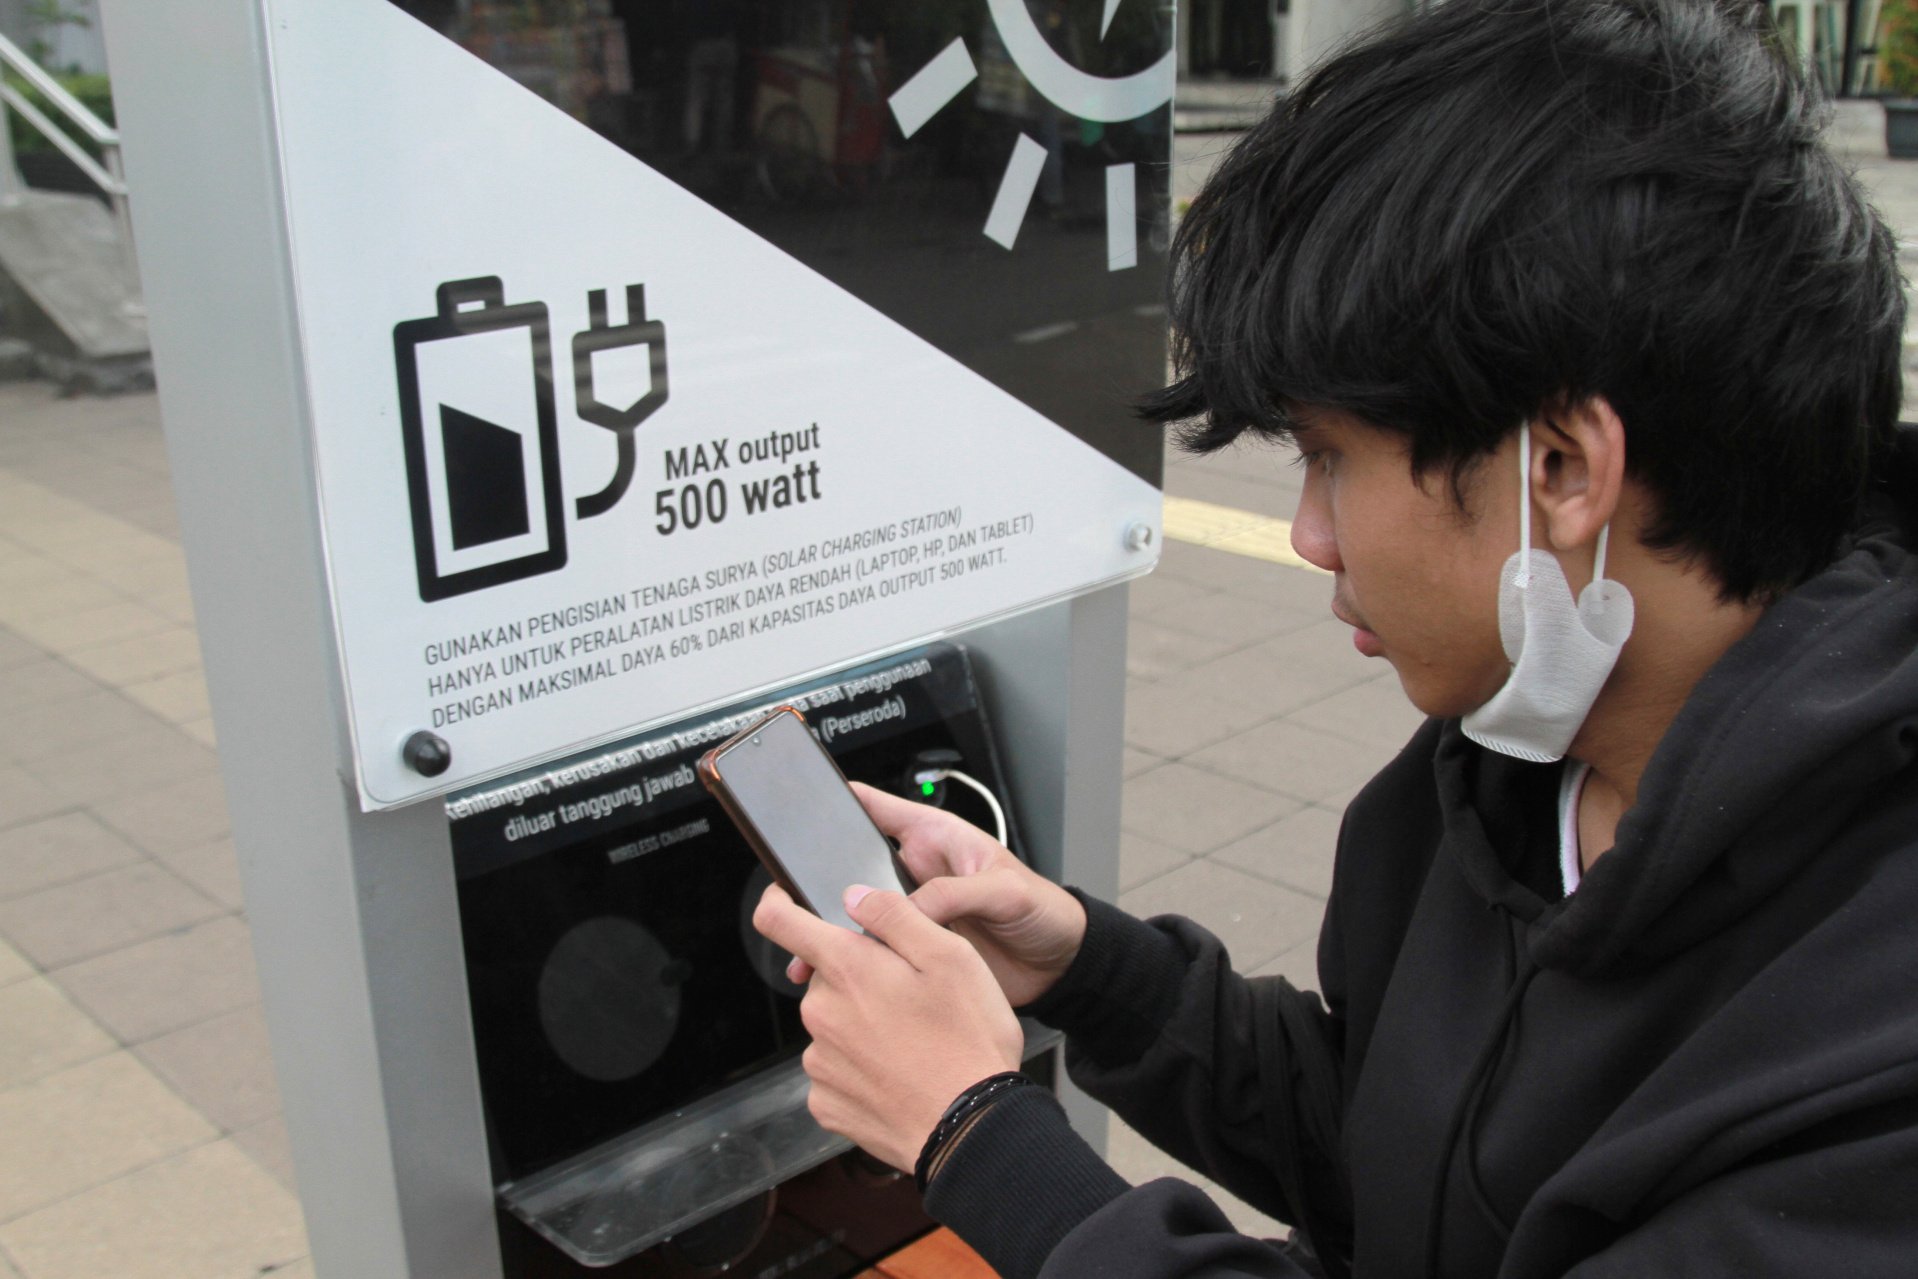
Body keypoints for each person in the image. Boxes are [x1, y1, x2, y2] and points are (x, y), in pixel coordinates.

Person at [753, 1, 1918, 1274]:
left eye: (1327, 457)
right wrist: (1095, 970)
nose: (1308, 535)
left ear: (1565, 466)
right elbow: (1395, 1146)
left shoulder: (1864, 1049)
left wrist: (978, 1136)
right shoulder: (1490, 774)